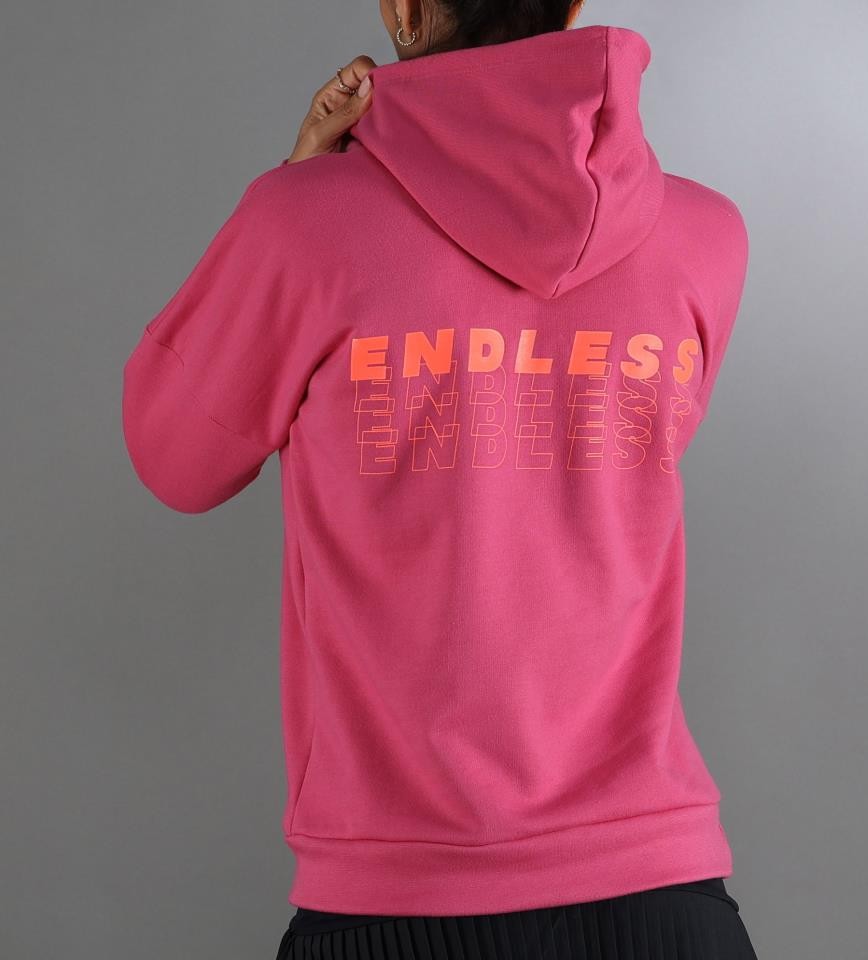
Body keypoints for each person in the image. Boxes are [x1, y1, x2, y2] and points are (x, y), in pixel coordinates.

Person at [121, 0, 757, 957]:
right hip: (663, 898)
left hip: (398, 900)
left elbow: (177, 459)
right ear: (574, 3)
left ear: (406, 9)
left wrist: (295, 193)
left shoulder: (299, 226)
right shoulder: (705, 236)